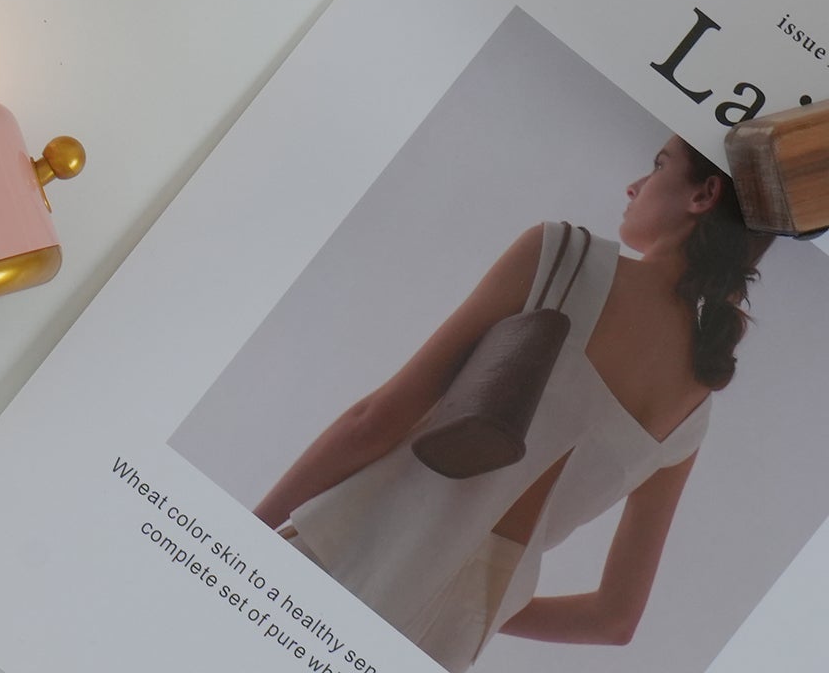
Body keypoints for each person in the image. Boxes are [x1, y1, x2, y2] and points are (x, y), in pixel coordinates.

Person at [252, 137, 770, 671]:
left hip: (339, 563)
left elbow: (373, 422)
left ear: (704, 194)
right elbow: (614, 620)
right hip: (434, 647)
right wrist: (484, 606)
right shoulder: (691, 412)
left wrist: (241, 534)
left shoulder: (563, 259)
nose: (633, 186)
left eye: (658, 166)